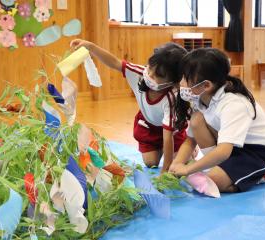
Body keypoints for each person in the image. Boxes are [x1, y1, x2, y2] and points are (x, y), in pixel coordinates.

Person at [70, 39, 188, 173]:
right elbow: (114, 62)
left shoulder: (171, 98)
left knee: (177, 163)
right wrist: (91, 46)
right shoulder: (139, 73)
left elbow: (168, 137)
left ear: (173, 82)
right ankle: (164, 150)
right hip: (149, 126)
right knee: (151, 163)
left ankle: (186, 147)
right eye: (150, 68)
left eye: (157, 76)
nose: (149, 75)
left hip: (171, 131)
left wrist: (165, 170)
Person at [169, 48, 265, 192]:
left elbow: (223, 152)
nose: (181, 83)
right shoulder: (201, 99)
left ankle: (260, 175)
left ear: (206, 85)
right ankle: (225, 170)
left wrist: (188, 169)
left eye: (185, 78)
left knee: (212, 182)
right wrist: (177, 164)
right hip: (231, 146)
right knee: (196, 120)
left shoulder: (234, 103)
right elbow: (190, 140)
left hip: (256, 152)